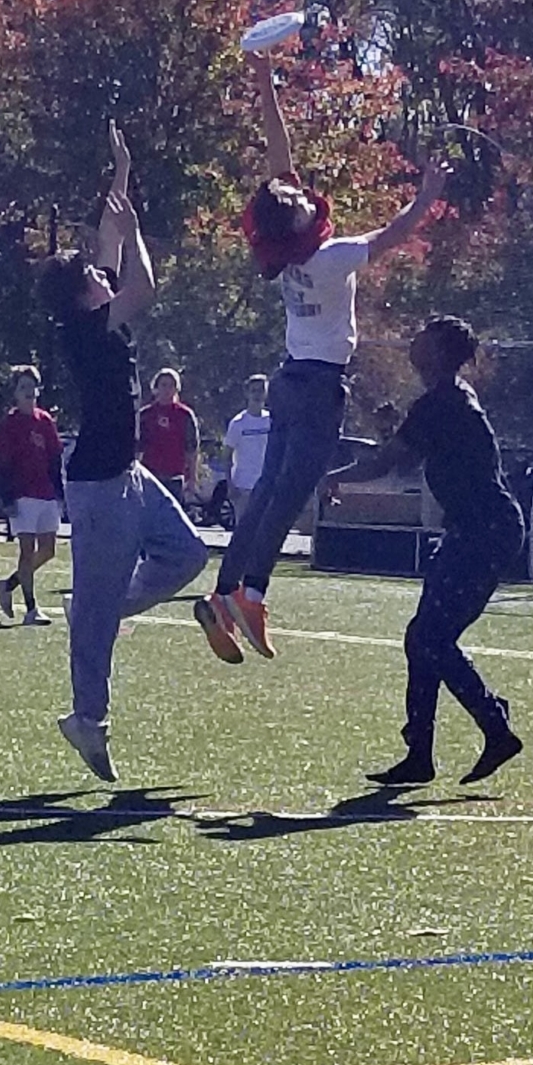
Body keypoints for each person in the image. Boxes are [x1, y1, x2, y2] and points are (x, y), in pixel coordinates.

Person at [194, 51, 445, 663]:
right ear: (298, 221)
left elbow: (280, 164)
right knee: (290, 494)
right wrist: (426, 196)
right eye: (303, 201)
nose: (309, 197)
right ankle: (252, 594)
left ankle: (223, 594)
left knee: (268, 492)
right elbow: (393, 235)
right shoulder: (330, 258)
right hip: (319, 387)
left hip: (288, 380)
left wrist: (264, 83)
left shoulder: (283, 252)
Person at [36, 121, 208, 781]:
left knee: (188, 555)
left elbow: (106, 239)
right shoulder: (87, 325)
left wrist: (122, 169)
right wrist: (137, 233)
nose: (103, 274)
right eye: (94, 276)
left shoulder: (92, 306)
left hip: (128, 476)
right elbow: (144, 286)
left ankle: (96, 606)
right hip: (101, 486)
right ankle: (87, 719)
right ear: (85, 293)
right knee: (97, 628)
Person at [328, 315, 524, 786]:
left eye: (423, 338)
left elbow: (387, 463)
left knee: (429, 638)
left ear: (438, 352)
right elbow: (408, 454)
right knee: (424, 638)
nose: (413, 343)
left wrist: (331, 479)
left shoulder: (443, 401)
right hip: (473, 530)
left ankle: (493, 726)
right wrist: (391, 430)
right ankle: (422, 753)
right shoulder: (445, 399)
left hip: (484, 532)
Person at [0, 364, 65, 626]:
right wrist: (7, 498)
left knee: (48, 550)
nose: (29, 392)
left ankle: (7, 585)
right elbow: (1, 464)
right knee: (27, 550)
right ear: (15, 392)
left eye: (32, 387)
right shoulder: (9, 424)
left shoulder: (45, 421)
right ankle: (31, 609)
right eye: (23, 387)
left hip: (45, 493)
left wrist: (59, 493)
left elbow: (55, 459)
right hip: (22, 494)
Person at [137, 367, 199, 507]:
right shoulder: (145, 415)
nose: (167, 389)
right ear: (156, 387)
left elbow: (192, 449)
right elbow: (137, 447)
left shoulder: (185, 415)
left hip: (174, 477)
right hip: (149, 476)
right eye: (163, 385)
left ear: (176, 389)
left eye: (171, 385)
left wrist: (192, 479)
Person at [221, 373, 270, 525]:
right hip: (243, 486)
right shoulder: (238, 423)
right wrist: (230, 485)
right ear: (247, 393)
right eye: (254, 390)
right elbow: (227, 456)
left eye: (261, 390)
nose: (257, 395)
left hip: (266, 485)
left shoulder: (271, 420)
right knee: (243, 528)